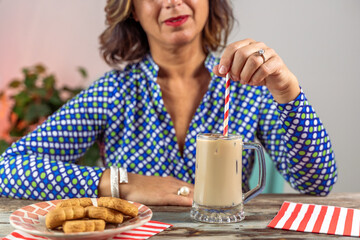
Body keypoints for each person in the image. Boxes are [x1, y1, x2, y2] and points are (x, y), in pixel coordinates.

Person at [0, 0, 337, 205]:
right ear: (131, 8)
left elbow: (318, 183)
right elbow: (8, 169)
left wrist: (287, 90)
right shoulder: (113, 93)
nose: (173, 1)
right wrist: (124, 184)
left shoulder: (249, 85)